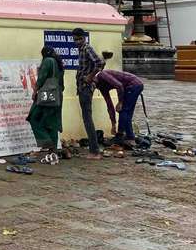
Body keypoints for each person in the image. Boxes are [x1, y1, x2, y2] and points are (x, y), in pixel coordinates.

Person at [28, 45, 65, 164]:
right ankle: (52, 151)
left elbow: (42, 78)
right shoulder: (59, 63)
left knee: (34, 117)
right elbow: (62, 84)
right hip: (58, 95)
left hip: (47, 95)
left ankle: (46, 142)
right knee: (52, 123)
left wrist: (35, 91)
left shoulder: (48, 61)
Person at [94, 65, 144, 147]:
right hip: (132, 86)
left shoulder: (103, 75)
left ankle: (125, 137)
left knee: (123, 111)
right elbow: (109, 105)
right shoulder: (101, 87)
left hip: (134, 85)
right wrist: (113, 123)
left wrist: (120, 102)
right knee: (127, 113)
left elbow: (119, 85)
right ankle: (125, 136)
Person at [72, 27, 103, 159]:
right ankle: (94, 149)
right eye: (75, 39)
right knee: (87, 119)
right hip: (81, 87)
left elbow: (100, 62)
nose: (77, 41)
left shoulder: (86, 48)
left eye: (79, 39)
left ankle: (94, 151)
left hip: (86, 87)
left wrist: (90, 77)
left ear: (83, 38)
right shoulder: (81, 50)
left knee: (87, 119)